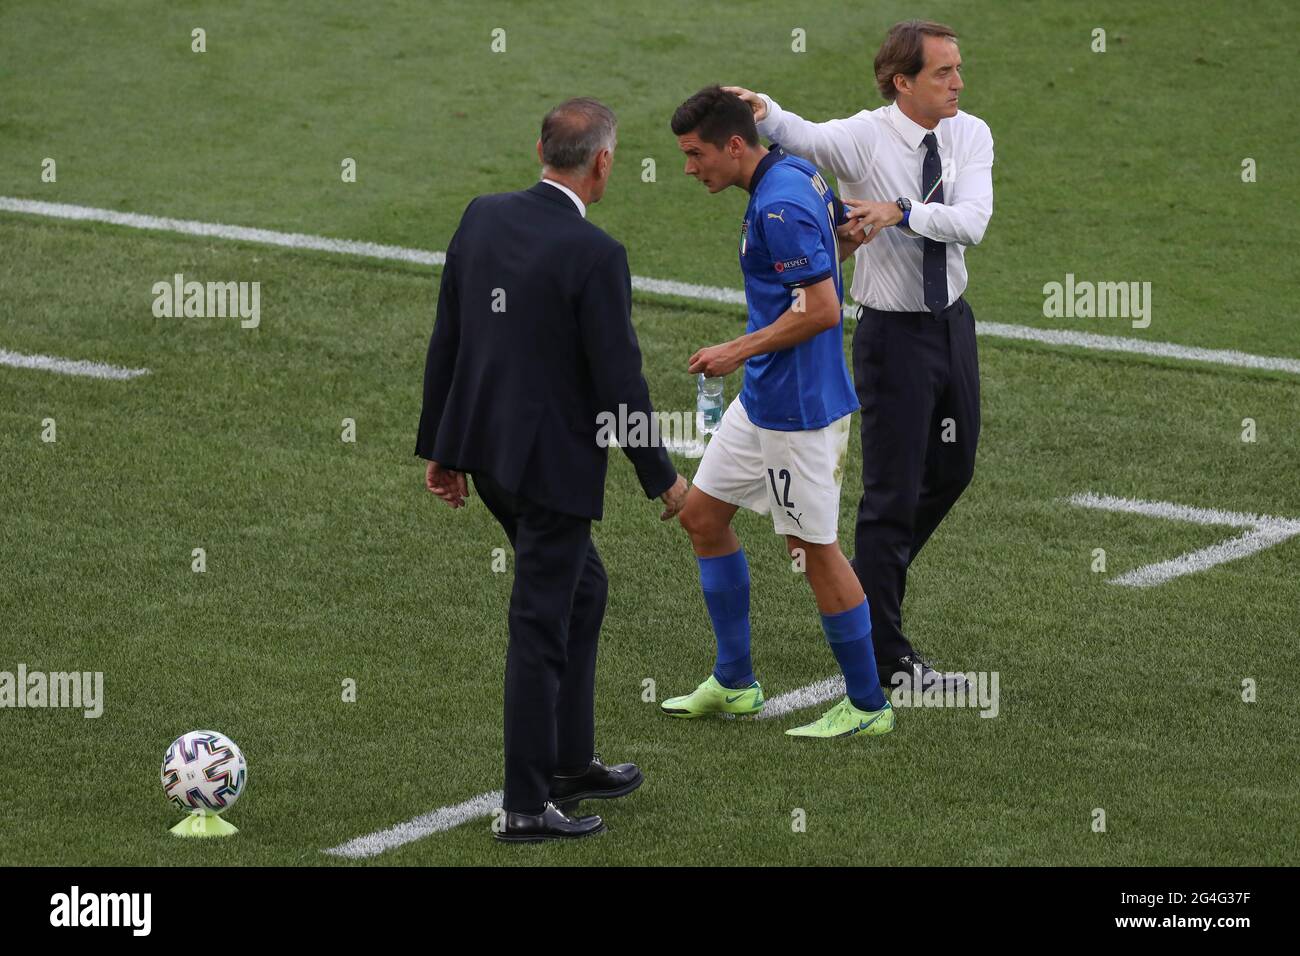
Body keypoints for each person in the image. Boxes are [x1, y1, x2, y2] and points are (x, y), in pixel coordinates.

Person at [416, 97, 690, 842]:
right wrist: (662, 477)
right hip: (551, 470)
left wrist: (442, 447)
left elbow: (451, 334)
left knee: (584, 588)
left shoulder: (482, 215)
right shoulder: (595, 255)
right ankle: (525, 804)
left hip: (491, 453)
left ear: (540, 147)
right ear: (602, 163)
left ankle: (570, 761)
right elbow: (620, 384)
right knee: (540, 625)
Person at [726, 19, 993, 692]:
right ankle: (885, 655)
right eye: (943, 72)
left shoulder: (970, 133)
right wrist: (764, 110)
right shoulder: (865, 138)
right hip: (892, 340)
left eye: (957, 69)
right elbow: (805, 136)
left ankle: (871, 591)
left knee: (953, 470)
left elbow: (973, 223)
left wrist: (899, 210)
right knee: (890, 494)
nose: (959, 82)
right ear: (902, 83)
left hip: (953, 327)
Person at [659, 86, 893, 740]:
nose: (689, 167)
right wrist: (833, 253)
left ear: (735, 146)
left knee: (811, 550)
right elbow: (848, 231)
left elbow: (822, 309)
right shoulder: (793, 171)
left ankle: (868, 703)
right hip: (764, 397)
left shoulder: (781, 203)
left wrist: (739, 347)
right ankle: (735, 683)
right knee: (702, 517)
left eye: (696, 153)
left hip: (800, 408)